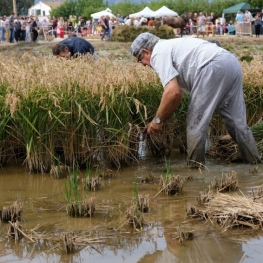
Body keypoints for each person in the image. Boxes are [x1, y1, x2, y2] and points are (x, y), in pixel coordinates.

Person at [130, 32, 261, 166]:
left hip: (211, 66)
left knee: (195, 124)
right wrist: (161, 120)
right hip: (231, 62)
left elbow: (172, 92)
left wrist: (157, 121)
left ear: (146, 51)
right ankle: (255, 165)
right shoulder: (172, 45)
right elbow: (178, 94)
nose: (143, 65)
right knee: (237, 123)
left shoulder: (158, 52)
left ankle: (195, 171)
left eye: (140, 60)